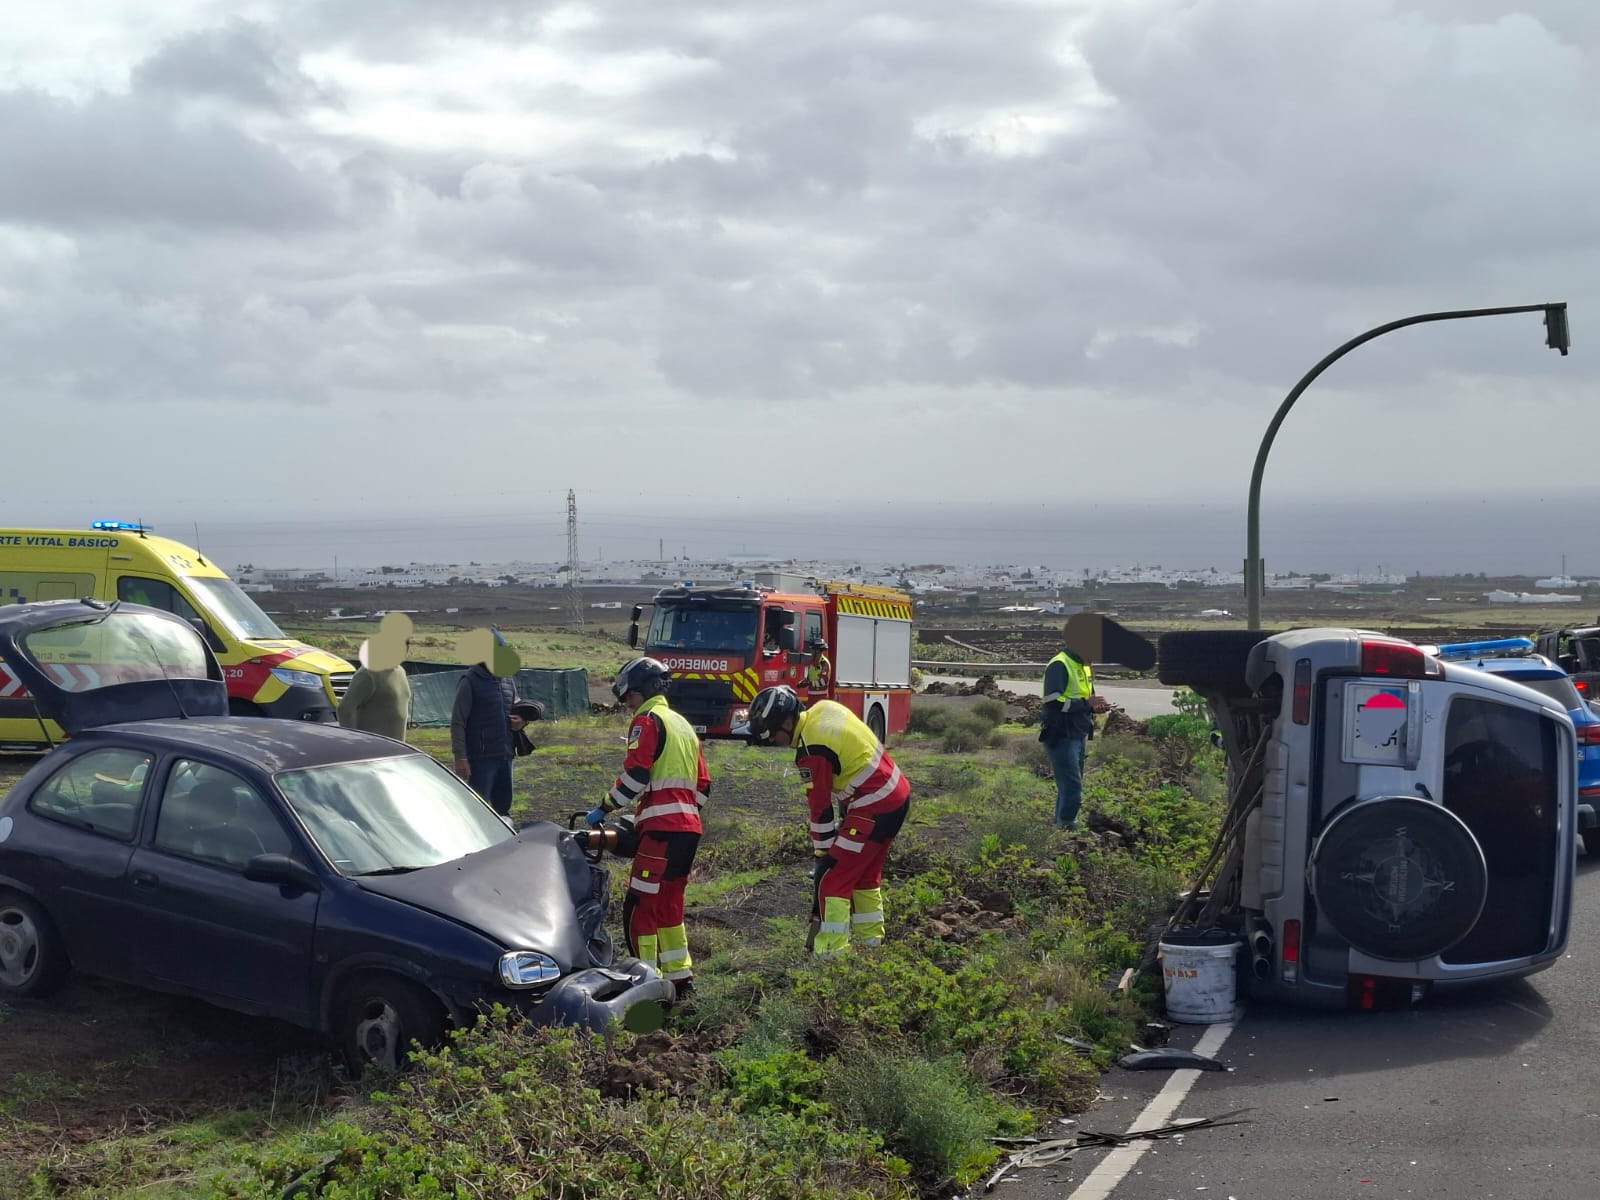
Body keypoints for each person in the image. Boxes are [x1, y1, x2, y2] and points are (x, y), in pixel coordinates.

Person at [746, 685, 910, 958]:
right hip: (895, 795)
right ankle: (871, 948)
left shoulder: (811, 751)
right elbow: (852, 758)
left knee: (832, 879)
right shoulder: (824, 709)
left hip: (874, 804)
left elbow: (820, 809)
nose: (775, 740)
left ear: (786, 722)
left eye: (774, 733)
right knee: (863, 876)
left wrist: (822, 855)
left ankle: (831, 956)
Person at [586, 657, 706, 996]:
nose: (627, 704)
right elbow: (704, 785)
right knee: (669, 905)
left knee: (640, 906)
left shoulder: (648, 720)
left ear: (642, 691)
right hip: (689, 830)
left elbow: (637, 774)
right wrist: (682, 814)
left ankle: (645, 982)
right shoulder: (683, 724)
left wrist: (603, 808)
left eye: (628, 697)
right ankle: (681, 980)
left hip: (661, 831)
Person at [449, 629, 527, 817]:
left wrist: (521, 721)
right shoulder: (469, 681)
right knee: (478, 811)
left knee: (503, 809)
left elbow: (516, 708)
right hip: (480, 759)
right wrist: (460, 758)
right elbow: (458, 722)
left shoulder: (507, 679)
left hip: (505, 756)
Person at [1039, 644, 1108, 830]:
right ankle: (1067, 828)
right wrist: (1086, 703)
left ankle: (1060, 826)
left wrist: (1095, 706)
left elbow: (1086, 698)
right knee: (1072, 787)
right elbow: (1052, 702)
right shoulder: (1060, 664)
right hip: (1061, 734)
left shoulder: (1084, 665)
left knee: (1069, 786)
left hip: (1078, 733)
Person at [338, 620, 413, 741]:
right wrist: (353, 741)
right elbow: (344, 709)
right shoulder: (369, 673)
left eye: (407, 642)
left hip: (395, 748)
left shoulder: (400, 671)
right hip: (371, 748)